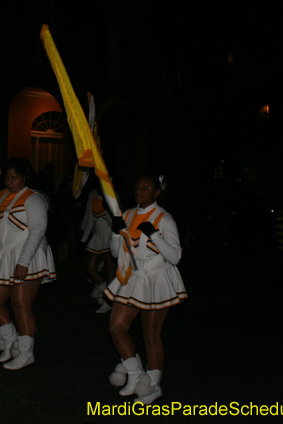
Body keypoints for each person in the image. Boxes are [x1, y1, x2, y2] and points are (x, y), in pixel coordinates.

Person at [106, 172, 186, 405]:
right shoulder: (128, 214)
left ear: (157, 192)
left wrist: (154, 234)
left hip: (156, 279)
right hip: (132, 278)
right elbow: (114, 253)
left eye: (146, 188)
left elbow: (175, 256)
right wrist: (114, 232)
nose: (139, 190)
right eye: (137, 186)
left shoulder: (165, 218)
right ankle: (134, 373)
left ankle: (152, 386)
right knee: (116, 327)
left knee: (150, 334)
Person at [0, 158, 56, 370]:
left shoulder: (34, 198)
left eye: (15, 178)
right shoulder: (1, 195)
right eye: (7, 178)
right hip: (4, 254)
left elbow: (38, 231)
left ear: (24, 177)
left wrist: (24, 261)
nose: (10, 181)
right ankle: (11, 339)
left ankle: (26, 352)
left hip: (28, 254)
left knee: (21, 304)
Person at [81, 184, 116, 313]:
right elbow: (90, 221)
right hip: (97, 237)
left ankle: (107, 302)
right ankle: (106, 292)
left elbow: (114, 223)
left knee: (110, 270)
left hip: (109, 238)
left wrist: (107, 210)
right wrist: (83, 240)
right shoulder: (94, 199)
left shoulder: (112, 199)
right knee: (91, 267)